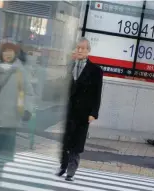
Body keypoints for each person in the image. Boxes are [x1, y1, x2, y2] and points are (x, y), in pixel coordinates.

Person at [0, 42, 34, 185]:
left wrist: (26, 109)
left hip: (10, 118)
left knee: (3, 152)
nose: (8, 54)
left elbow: (26, 92)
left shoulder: (19, 72)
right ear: (1, 53)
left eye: (10, 51)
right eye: (5, 51)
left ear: (15, 53)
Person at [56, 37, 103, 181]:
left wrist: (94, 113)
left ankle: (71, 170)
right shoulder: (70, 66)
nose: (80, 50)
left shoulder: (95, 70)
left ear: (88, 51)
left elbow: (97, 93)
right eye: (78, 48)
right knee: (66, 140)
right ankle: (63, 165)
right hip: (69, 110)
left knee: (76, 143)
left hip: (83, 112)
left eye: (83, 48)